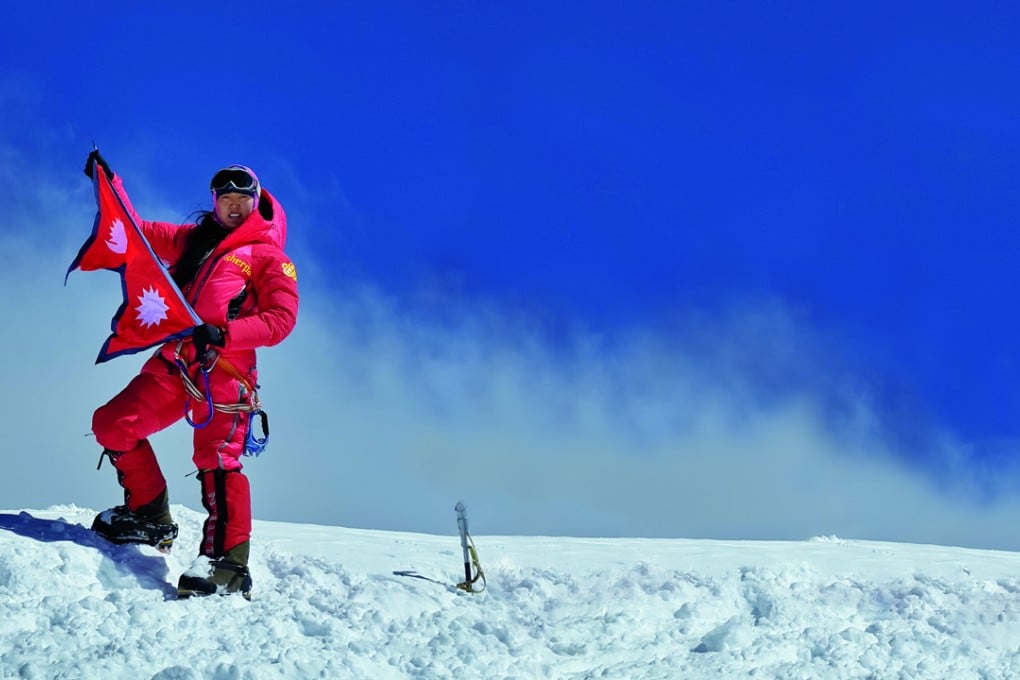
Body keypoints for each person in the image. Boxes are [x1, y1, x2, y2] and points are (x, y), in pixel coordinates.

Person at [83, 151, 299, 599]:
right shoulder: (194, 240)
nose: (234, 205)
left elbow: (281, 320)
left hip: (225, 374)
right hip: (176, 365)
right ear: (215, 202)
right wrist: (111, 184)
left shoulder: (269, 257)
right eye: (226, 198)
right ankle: (148, 517)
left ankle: (226, 564)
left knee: (218, 459)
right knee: (113, 423)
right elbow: (136, 232)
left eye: (243, 198)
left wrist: (225, 333)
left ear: (256, 201)